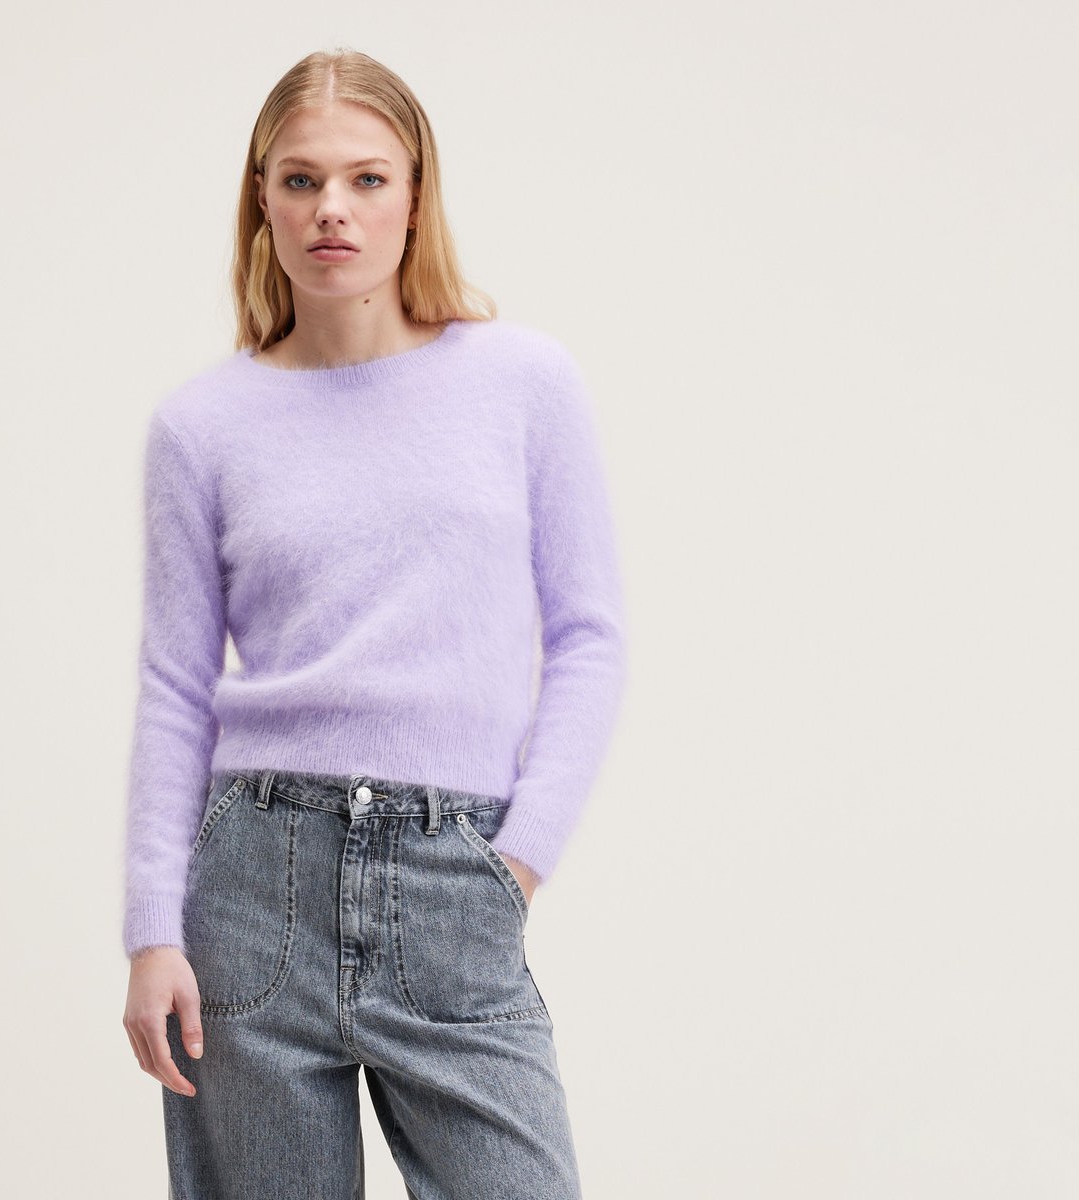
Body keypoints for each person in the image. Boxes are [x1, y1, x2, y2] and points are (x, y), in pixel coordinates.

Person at [119, 47, 628, 1198]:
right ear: (261, 198)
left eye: (366, 179)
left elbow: (589, 636)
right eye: (299, 180)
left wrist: (515, 862)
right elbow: (173, 688)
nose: (331, 210)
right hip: (252, 891)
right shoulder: (203, 426)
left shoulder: (522, 383)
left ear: (415, 193)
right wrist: (153, 930)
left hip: (452, 877)